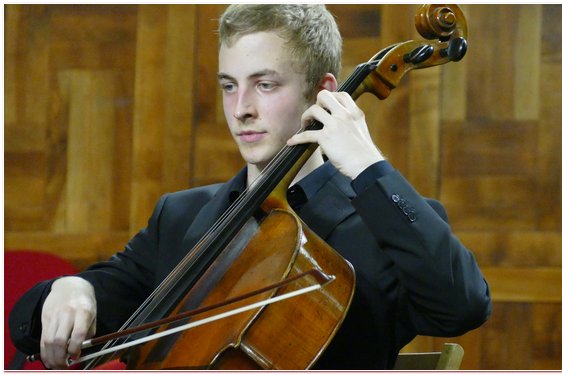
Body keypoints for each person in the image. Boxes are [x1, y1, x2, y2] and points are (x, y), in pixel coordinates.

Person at [10, 4, 491, 370]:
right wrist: (73, 288)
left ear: (324, 92)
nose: (240, 108)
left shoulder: (381, 220)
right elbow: (37, 320)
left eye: (264, 85)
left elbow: (462, 307)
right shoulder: (181, 215)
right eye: (228, 85)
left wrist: (368, 166)